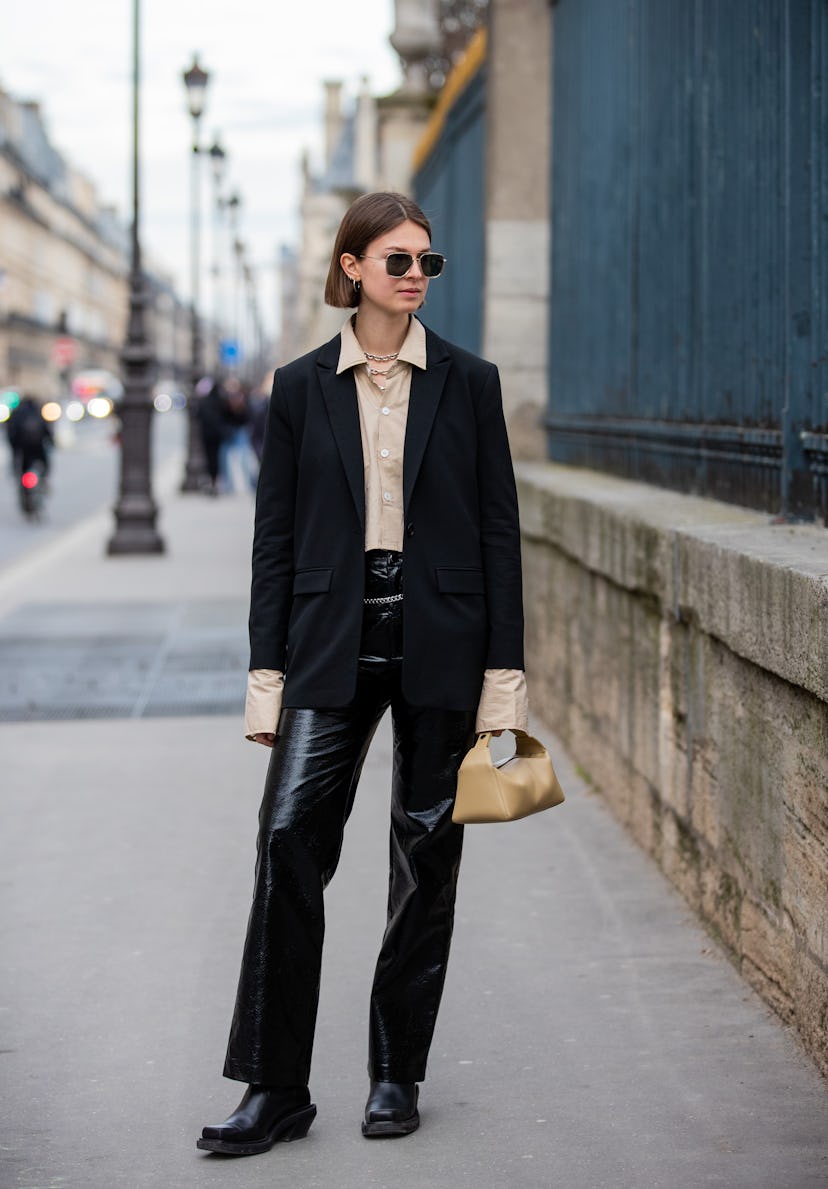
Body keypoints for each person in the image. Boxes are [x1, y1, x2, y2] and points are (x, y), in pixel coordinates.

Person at [198, 191, 528, 1157]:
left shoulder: (469, 382)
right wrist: (267, 678)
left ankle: (395, 1072)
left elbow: (498, 532)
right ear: (352, 268)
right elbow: (276, 541)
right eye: (398, 260)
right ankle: (275, 1086)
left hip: (443, 638)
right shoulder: (300, 387)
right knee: (289, 839)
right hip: (329, 639)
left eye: (427, 261)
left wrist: (503, 679)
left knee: (426, 859)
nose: (417, 275)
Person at [6, 395, 53, 480]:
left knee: (22, 467)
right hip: (38, 444)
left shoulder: (17, 413)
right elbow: (46, 428)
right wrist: (51, 441)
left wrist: (13, 446)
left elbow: (11, 431)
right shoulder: (37, 410)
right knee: (44, 463)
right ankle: (42, 480)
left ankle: (24, 486)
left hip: (23, 447)